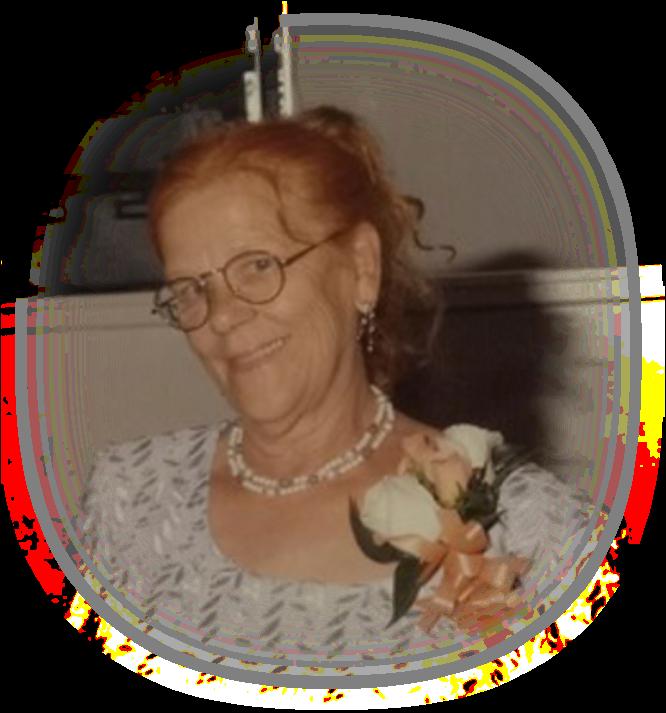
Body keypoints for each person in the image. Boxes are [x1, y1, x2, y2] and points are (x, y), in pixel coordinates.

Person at [75, 106, 601, 668]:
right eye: (190, 289)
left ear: (361, 267)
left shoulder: (524, 524)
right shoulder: (129, 500)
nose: (221, 316)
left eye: (257, 266)